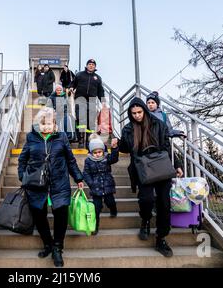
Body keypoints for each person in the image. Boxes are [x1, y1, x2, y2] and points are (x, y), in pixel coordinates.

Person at [18, 107, 84, 267]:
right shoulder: (31, 138)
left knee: (61, 215)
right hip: (36, 185)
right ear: (38, 124)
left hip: (59, 182)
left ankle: (57, 247)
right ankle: (48, 244)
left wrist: (78, 177)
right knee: (39, 217)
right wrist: (23, 177)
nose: (46, 127)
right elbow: (22, 160)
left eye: (49, 123)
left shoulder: (61, 137)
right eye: (43, 124)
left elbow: (70, 160)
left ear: (54, 124)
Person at [118, 97, 183, 258]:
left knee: (164, 203)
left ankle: (161, 238)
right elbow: (125, 149)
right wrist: (117, 144)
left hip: (160, 166)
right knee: (146, 200)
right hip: (142, 168)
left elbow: (168, 146)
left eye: (139, 112)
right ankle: (145, 220)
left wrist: (177, 165)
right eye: (133, 113)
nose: (137, 116)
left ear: (145, 111)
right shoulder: (128, 129)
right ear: (130, 114)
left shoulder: (158, 124)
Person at [83, 136, 119, 236]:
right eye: (95, 152)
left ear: (103, 151)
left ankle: (113, 210)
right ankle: (95, 226)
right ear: (91, 153)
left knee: (110, 201)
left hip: (107, 185)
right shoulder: (88, 161)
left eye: (99, 152)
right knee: (96, 208)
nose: (98, 154)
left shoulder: (107, 158)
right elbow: (86, 173)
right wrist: (91, 183)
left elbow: (115, 158)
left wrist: (115, 148)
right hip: (96, 188)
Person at [69, 59, 105, 149]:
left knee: (90, 123)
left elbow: (101, 91)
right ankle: (81, 140)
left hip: (92, 101)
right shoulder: (80, 74)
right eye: (89, 64)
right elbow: (73, 83)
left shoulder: (98, 78)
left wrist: (103, 101)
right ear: (86, 65)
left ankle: (89, 142)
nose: (91, 66)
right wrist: (71, 88)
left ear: (95, 67)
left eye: (93, 64)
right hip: (80, 100)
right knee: (81, 121)